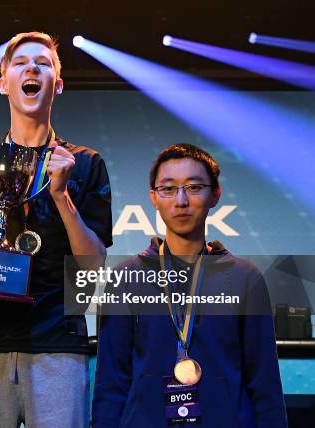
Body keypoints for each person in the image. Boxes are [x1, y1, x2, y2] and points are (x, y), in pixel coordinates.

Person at [0, 32, 113, 427]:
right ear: (3, 84)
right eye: (20, 63)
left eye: (44, 63)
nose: (32, 68)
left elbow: (90, 268)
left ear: (58, 84)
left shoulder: (82, 163)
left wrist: (62, 195)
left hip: (55, 341)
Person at [92, 143, 287, 427]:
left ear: (215, 195)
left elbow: (265, 385)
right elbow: (111, 383)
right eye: (168, 189)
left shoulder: (246, 278)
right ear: (153, 198)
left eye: (194, 187)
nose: (180, 200)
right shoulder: (126, 278)